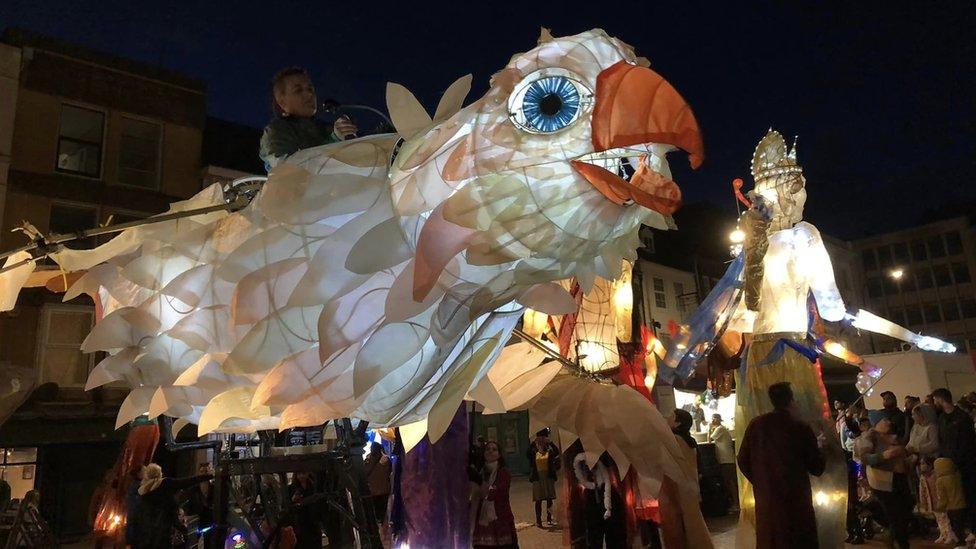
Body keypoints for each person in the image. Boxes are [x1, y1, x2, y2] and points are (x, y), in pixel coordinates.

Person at [737, 382, 825, 549]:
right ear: (792, 400)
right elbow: (817, 467)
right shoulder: (800, 427)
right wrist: (820, 448)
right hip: (795, 498)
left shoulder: (756, 425)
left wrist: (762, 480)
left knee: (771, 538)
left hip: (767, 499)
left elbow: (742, 459)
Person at [258, 67, 357, 168]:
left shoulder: (327, 128)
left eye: (310, 89)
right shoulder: (277, 130)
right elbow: (284, 169)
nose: (309, 94)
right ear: (282, 102)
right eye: (298, 90)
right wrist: (334, 139)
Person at [857, 418, 911, 549]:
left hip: (900, 478)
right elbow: (864, 458)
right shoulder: (870, 437)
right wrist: (885, 455)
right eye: (883, 421)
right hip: (883, 482)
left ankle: (894, 538)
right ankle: (901, 544)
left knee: (903, 513)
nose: (887, 422)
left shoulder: (893, 435)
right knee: (895, 515)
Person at [130, 463, 212, 549]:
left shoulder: (143, 492)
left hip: (149, 536)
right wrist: (207, 476)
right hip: (167, 531)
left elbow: (138, 516)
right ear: (159, 473)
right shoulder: (165, 484)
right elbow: (186, 482)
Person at [934, 387, 976, 533]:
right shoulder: (942, 419)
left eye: (935, 400)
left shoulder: (962, 418)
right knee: (956, 501)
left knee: (970, 497)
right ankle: (965, 531)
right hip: (949, 466)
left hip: (965, 464)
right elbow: (941, 441)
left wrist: (957, 459)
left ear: (940, 399)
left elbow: (968, 442)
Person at [472, 441, 518, 549]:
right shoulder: (479, 472)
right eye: (488, 449)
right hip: (482, 523)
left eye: (494, 449)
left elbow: (496, 493)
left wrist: (484, 490)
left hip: (500, 519)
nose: (490, 451)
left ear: (499, 454)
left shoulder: (503, 473)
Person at [526, 428, 560, 527]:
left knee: (549, 498)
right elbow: (527, 455)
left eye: (543, 437)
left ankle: (549, 518)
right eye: (539, 437)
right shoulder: (534, 448)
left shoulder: (549, 447)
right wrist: (533, 443)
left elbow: (557, 452)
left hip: (548, 475)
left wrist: (551, 443)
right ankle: (538, 520)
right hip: (537, 476)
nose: (541, 439)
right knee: (538, 499)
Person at [708, 413, 739, 511]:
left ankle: (736, 504)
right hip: (726, 459)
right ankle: (735, 503)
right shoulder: (721, 429)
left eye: (713, 419)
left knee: (730, 482)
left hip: (727, 460)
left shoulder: (719, 429)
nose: (712, 421)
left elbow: (709, 440)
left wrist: (709, 428)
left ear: (716, 420)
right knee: (730, 482)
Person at [934, 457, 968, 546]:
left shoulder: (940, 481)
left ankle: (960, 544)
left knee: (956, 529)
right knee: (962, 526)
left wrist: (939, 507)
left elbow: (943, 497)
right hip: (962, 505)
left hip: (952, 507)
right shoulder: (957, 476)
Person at [184, 462, 215, 549]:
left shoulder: (214, 488)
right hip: (196, 522)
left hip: (210, 522)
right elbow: (190, 504)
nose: (204, 474)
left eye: (206, 471)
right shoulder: (193, 489)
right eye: (202, 472)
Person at [363, 442, 392, 524]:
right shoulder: (385, 460)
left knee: (374, 512)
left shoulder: (369, 460)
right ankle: (382, 526)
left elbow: (364, 472)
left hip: (372, 491)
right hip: (384, 491)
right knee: (383, 513)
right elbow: (389, 472)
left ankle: (377, 527)